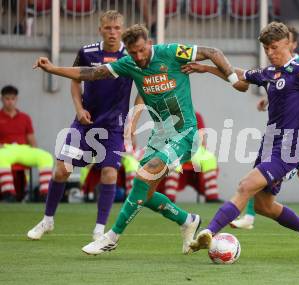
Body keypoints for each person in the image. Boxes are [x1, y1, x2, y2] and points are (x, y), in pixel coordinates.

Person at [33, 24, 239, 255]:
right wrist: (52, 69)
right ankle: (187, 220)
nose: (139, 57)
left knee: (144, 176)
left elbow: (213, 53)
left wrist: (232, 79)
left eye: (142, 50)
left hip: (185, 133)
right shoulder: (128, 63)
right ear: (128, 51)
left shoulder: (171, 52)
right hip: (160, 134)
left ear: (149, 43)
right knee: (144, 192)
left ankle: (111, 237)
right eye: (133, 52)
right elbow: (91, 73)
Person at [187, 22, 299, 257]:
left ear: (287, 44)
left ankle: (208, 233)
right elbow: (240, 78)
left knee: (245, 186)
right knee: (264, 206)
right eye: (266, 49)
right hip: (269, 143)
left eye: (274, 47)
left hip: (289, 147)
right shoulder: (269, 73)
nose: (270, 53)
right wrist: (208, 69)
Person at [27, 10, 134, 241]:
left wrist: (133, 121)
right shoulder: (87, 52)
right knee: (62, 170)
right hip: (85, 123)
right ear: (100, 30)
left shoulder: (131, 56)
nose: (113, 33)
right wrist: (78, 108)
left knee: (109, 173)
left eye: (117, 28)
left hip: (114, 126)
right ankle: (47, 220)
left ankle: (98, 230)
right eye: (108, 28)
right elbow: (76, 80)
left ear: (123, 30)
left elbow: (143, 90)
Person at [0, 85, 53, 202]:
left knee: (45, 157)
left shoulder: (25, 117)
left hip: (23, 149)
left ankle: (45, 193)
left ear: (16, 99)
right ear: (2, 99)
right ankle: (8, 193)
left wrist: (34, 150)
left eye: (12, 99)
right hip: (5, 149)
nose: (10, 102)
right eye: (7, 99)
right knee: (1, 157)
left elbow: (31, 139)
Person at [162, 111, 222, 203]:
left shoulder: (196, 115)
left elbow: (201, 136)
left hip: (195, 148)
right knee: (174, 159)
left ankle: (212, 196)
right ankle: (170, 196)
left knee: (209, 158)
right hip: (177, 147)